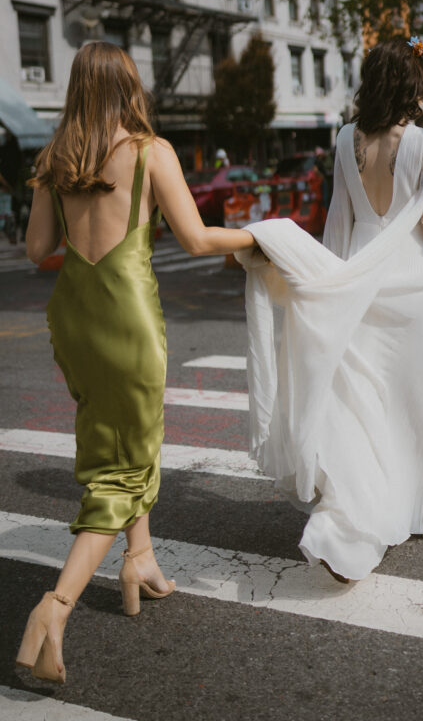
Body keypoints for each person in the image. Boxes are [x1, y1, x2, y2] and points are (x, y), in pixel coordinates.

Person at [17, 42, 255, 684]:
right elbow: (199, 238)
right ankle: (54, 606)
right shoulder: (152, 152)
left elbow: (37, 249)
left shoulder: (54, 161)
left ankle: (140, 559)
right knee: (124, 465)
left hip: (74, 318)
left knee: (118, 439)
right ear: (127, 88)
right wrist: (264, 237)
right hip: (129, 319)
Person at [237, 38, 423, 581]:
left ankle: (361, 502)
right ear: (412, 86)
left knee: (366, 405)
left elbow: (338, 219)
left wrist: (333, 286)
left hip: (361, 276)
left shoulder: (344, 141)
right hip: (412, 282)